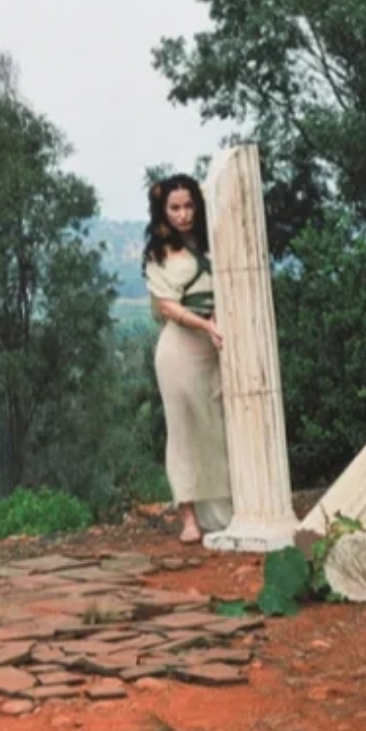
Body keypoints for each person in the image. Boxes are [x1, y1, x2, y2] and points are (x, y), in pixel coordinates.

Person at [144, 174, 231, 545]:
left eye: (189, 206)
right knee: (183, 431)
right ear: (164, 212)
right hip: (181, 348)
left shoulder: (214, 242)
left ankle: (227, 510)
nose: (183, 214)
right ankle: (189, 518)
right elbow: (167, 307)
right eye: (175, 208)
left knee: (219, 428)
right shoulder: (159, 254)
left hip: (217, 346)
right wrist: (205, 325)